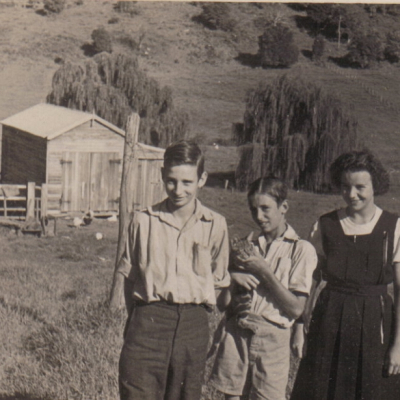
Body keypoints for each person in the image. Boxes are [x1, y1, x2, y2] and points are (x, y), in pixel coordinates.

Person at [118, 140, 230, 400]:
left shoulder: (215, 225)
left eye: (187, 182)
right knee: (137, 391)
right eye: (171, 181)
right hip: (148, 321)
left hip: (193, 324)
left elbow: (219, 282)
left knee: (184, 395)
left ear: (202, 179)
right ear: (161, 176)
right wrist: (136, 320)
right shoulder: (142, 221)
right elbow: (129, 278)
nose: (178, 190)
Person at [291, 150, 400, 400]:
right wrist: (299, 327)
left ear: (376, 186)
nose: (352, 194)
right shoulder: (324, 225)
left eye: (360, 187)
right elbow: (310, 281)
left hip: (376, 321)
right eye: (345, 187)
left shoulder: (394, 227)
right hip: (330, 318)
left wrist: (398, 345)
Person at [209, 176, 318, 400]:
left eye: (266, 208)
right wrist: (232, 279)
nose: (259, 216)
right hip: (237, 332)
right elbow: (223, 304)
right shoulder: (246, 246)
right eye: (253, 209)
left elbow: (296, 309)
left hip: (273, 338)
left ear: (284, 207)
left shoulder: (301, 249)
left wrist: (262, 270)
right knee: (231, 396)